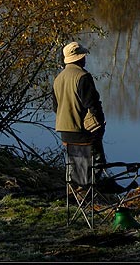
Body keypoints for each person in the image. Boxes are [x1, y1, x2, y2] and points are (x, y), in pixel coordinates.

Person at [53, 41, 124, 194]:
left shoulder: (58, 79)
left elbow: (55, 107)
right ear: (78, 59)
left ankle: (74, 193)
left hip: (65, 132)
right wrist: (100, 126)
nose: (85, 59)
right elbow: (92, 105)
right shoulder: (83, 77)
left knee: (75, 165)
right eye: (83, 56)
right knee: (97, 162)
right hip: (84, 131)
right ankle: (93, 193)